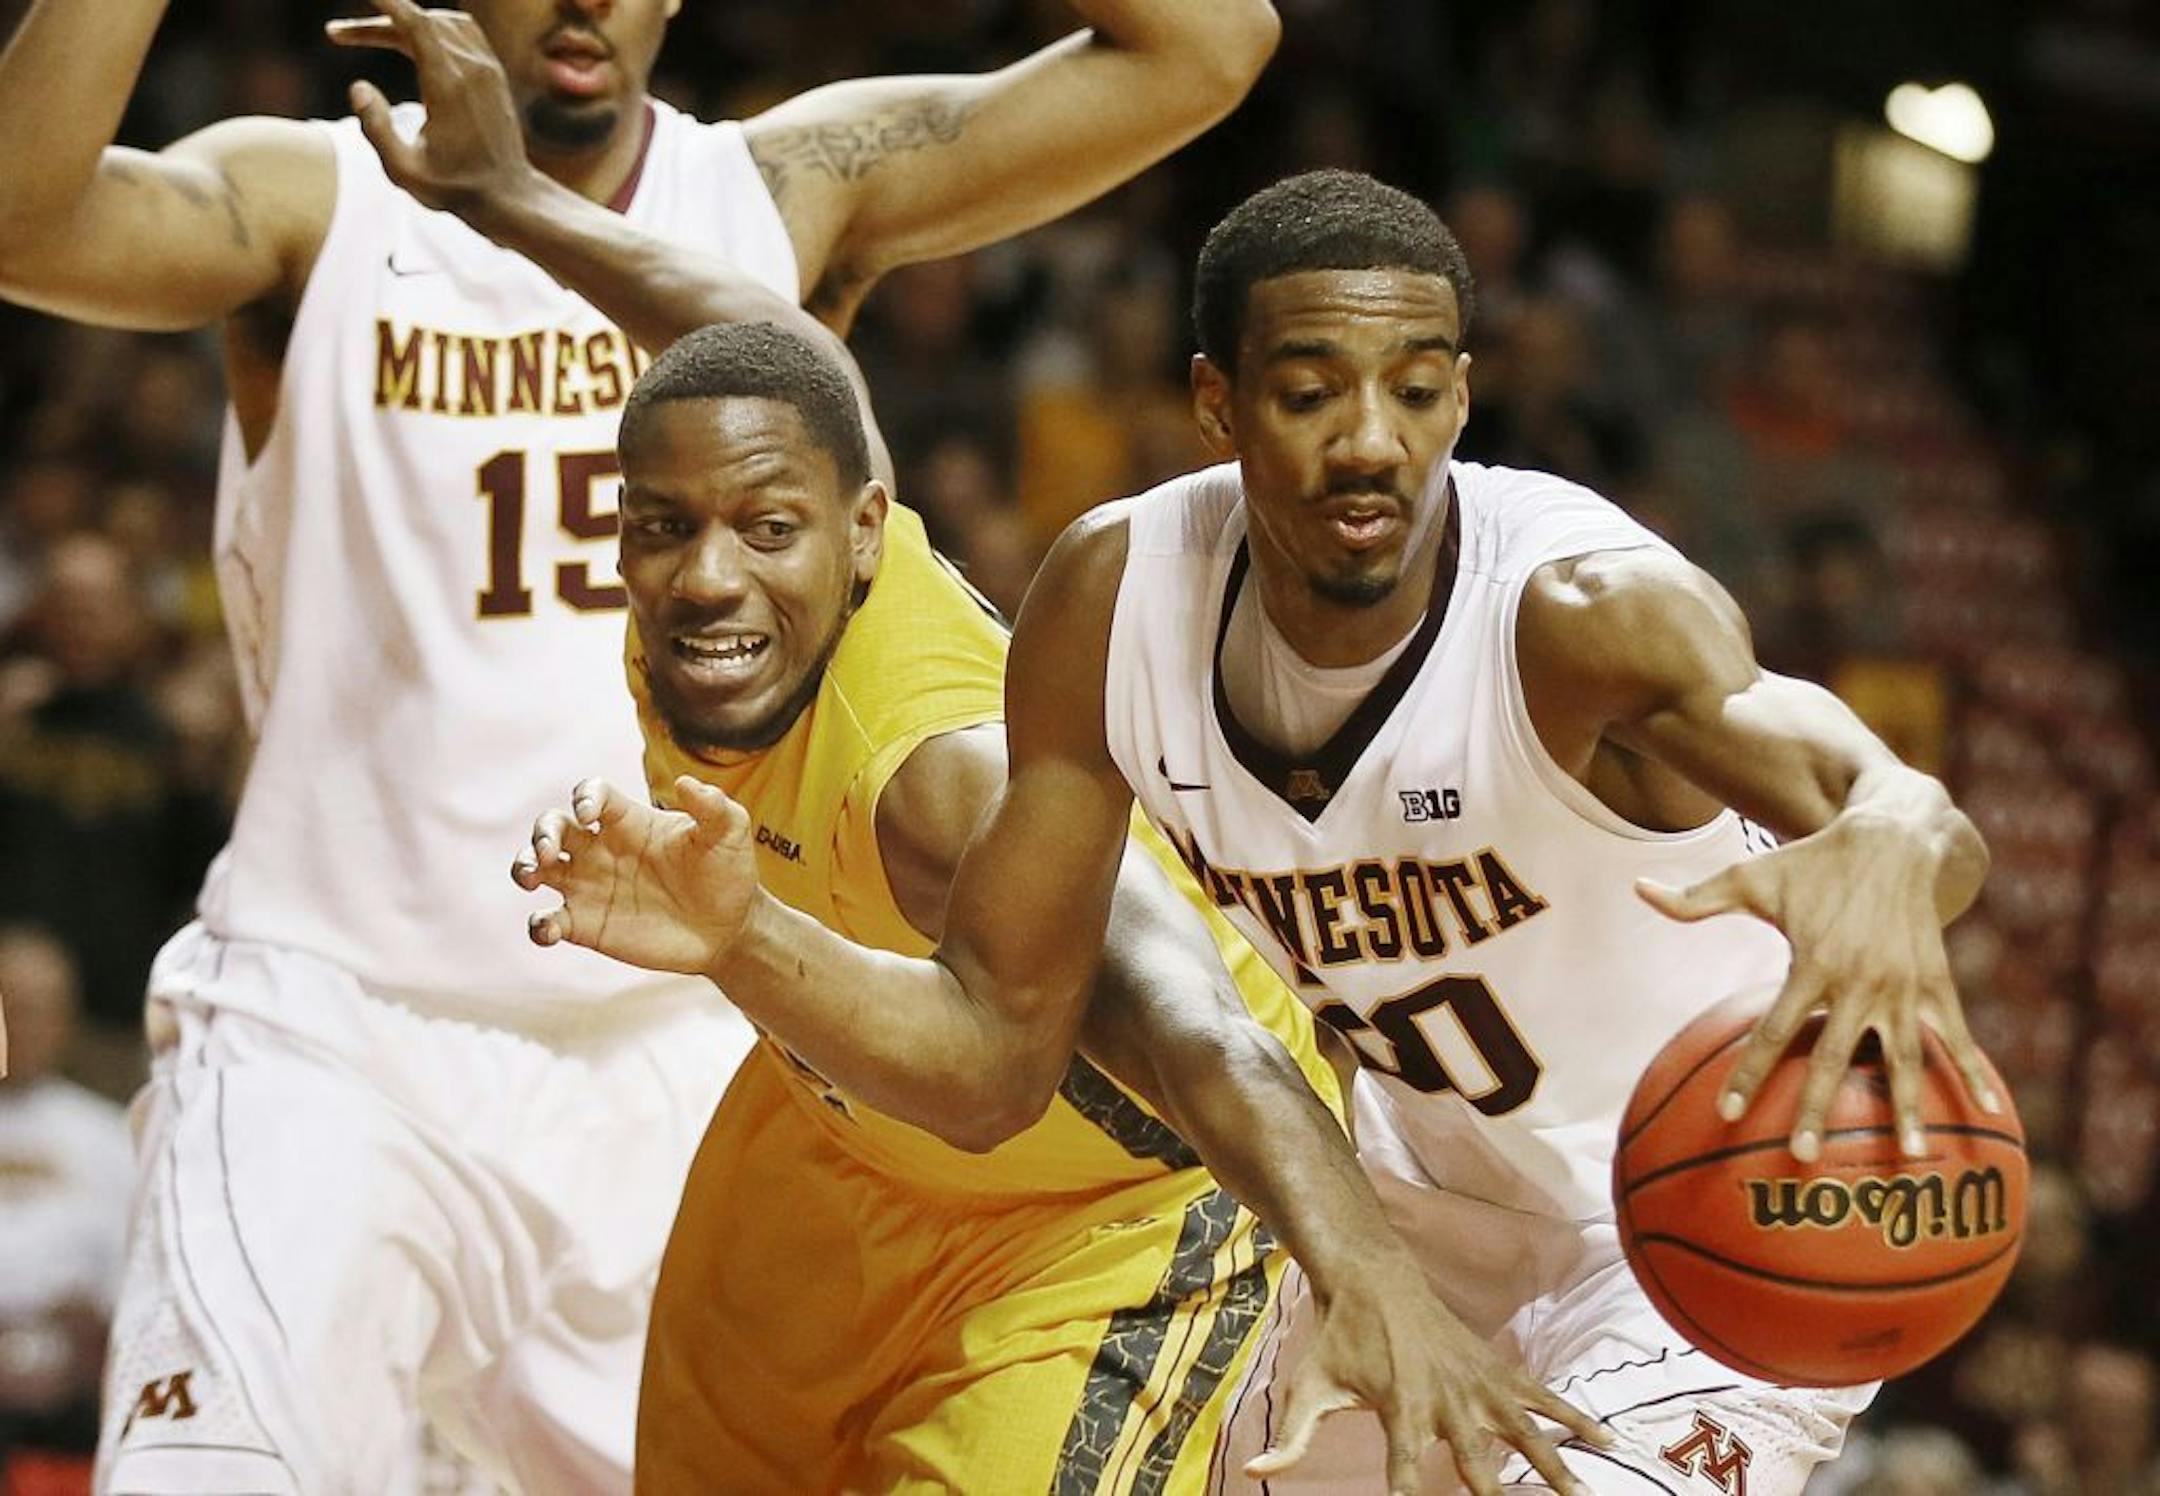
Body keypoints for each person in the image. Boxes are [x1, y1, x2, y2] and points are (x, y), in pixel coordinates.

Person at [526, 170, 2002, 1494]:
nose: (1371, 441)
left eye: (1415, 391)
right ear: (1217, 403)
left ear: (1462, 399)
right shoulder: (1114, 602)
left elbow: (1900, 809)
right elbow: (996, 1055)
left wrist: (1888, 847)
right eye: (1311, 393)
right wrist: (746, 935)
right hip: (1403, 1208)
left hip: (1704, 1216)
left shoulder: (1579, 616)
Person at [0, 0, 1292, 1484]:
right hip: (331, 1023)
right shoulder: (322, 194)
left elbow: (1205, 46)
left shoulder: (776, 194)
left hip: (689, 1044)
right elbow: (23, 221)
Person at [344, 17, 1607, 1489]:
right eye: (666, 529)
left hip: (1098, 1223)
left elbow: (1181, 1033)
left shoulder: (946, 770)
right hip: (829, 1164)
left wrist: (1366, 1271)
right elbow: (744, 331)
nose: (708, 577)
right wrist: (507, 201)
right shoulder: (757, 487)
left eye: (764, 535)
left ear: (859, 533)